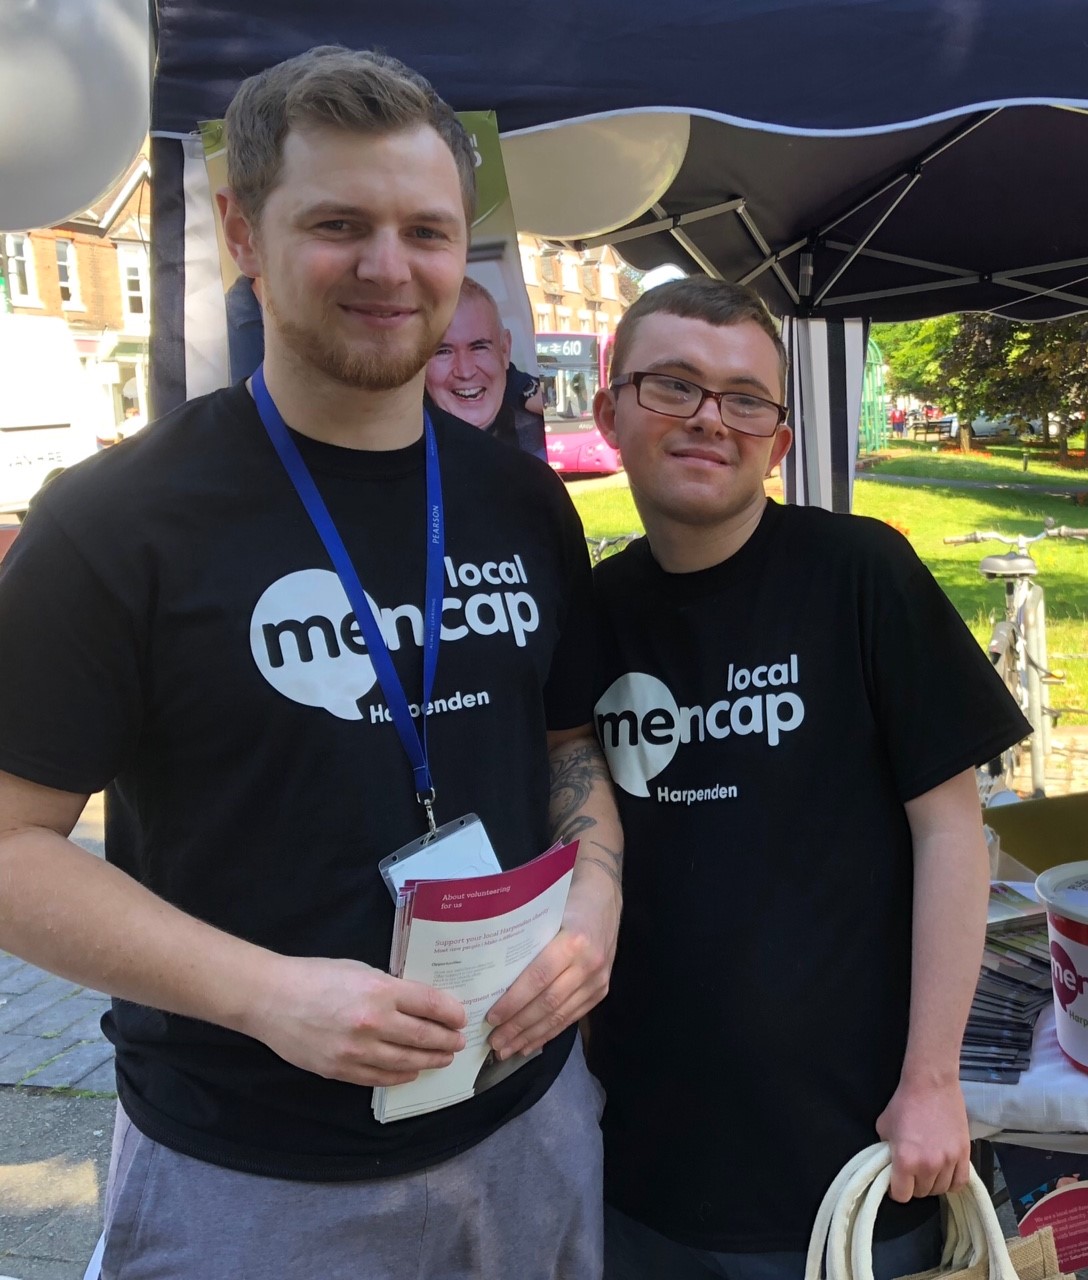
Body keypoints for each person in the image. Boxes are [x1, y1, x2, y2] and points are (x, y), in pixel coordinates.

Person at [0, 46, 621, 1279]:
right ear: (242, 230)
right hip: (252, 1172)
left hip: (529, 1119)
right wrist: (263, 993)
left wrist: (596, 899)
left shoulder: (520, 499)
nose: (389, 268)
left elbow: (567, 746)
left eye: (425, 231)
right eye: (339, 224)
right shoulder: (116, 519)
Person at [586, 277, 1029, 1280]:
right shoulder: (587, 610)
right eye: (673, 385)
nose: (710, 417)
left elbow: (952, 833)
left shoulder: (859, 573)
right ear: (610, 409)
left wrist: (931, 1079)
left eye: (745, 397)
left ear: (778, 441)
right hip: (644, 1179)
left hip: (857, 1165)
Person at [425, 276, 546, 458]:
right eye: (443, 351)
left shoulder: (544, 436)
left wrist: (523, 387)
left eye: (479, 347)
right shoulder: (393, 449)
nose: (465, 372)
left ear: (505, 350)